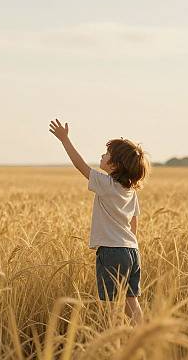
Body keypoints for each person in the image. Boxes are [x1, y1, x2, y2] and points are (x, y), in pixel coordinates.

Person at [49, 119, 150, 325]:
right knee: (132, 302)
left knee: (110, 305)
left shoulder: (106, 184)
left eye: (106, 155)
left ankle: (112, 341)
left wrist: (64, 139)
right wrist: (128, 244)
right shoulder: (131, 192)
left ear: (114, 165)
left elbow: (80, 166)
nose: (102, 156)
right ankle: (142, 336)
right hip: (132, 251)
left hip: (111, 251)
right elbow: (134, 223)